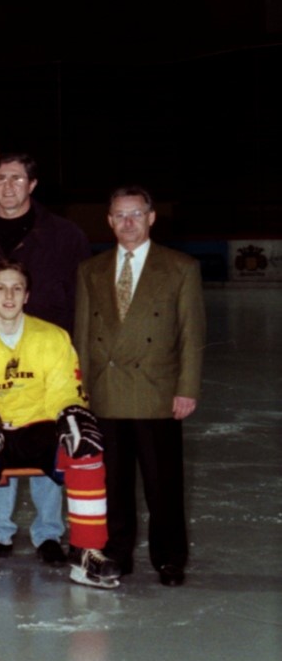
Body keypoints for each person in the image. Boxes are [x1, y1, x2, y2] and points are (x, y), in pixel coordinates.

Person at [0, 260, 119, 591]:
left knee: (85, 449)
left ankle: (87, 552)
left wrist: (70, 411)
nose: (8, 296)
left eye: (16, 288)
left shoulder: (52, 336)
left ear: (27, 295)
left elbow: (63, 390)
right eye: (0, 288)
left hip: (37, 426)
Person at [0, 153, 91, 565]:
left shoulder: (65, 234)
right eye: (0, 178)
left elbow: (83, 297)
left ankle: (49, 532)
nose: (8, 186)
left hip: (48, 348)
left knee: (51, 424)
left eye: (17, 178)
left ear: (32, 185)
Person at [75, 185, 204, 587]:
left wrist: (187, 387)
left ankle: (169, 556)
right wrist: (79, 391)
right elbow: (82, 336)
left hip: (157, 390)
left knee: (162, 483)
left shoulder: (180, 267)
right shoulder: (90, 270)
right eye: (119, 215)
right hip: (106, 389)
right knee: (112, 482)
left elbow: (192, 334)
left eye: (135, 214)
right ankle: (118, 550)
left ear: (151, 218)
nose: (127, 223)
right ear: (109, 221)